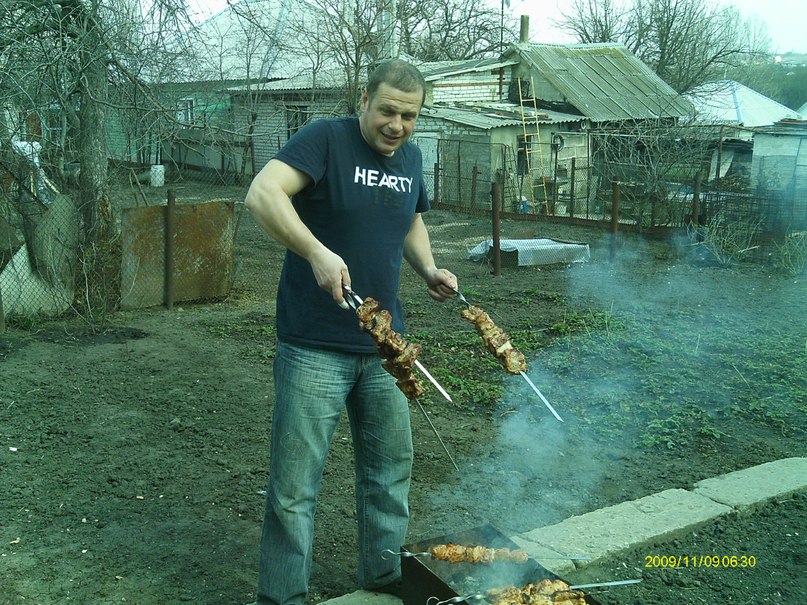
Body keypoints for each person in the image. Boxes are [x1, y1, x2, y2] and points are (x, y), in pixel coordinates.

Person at [244, 59, 457, 605]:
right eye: (387, 110)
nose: (397, 125)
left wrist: (429, 268)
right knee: (295, 488)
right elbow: (263, 193)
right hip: (314, 345)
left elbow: (410, 217)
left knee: (390, 475)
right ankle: (283, 597)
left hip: (386, 346)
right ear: (364, 101)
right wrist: (315, 251)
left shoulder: (410, 158)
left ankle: (384, 583)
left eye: (409, 115)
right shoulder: (325, 139)